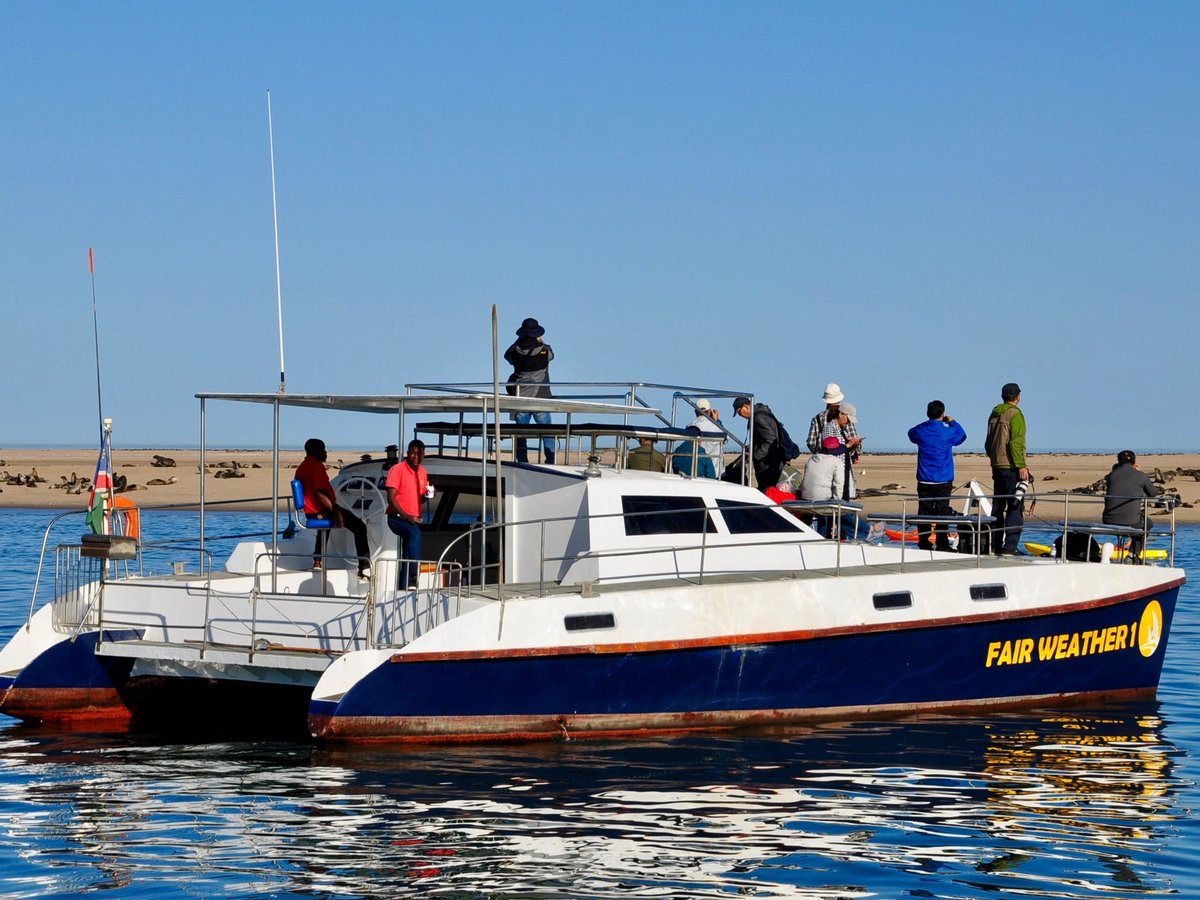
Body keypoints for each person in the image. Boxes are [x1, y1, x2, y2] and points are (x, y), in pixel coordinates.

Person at [294, 438, 371, 578]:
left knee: (326, 526)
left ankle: (317, 561)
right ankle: (363, 567)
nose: (325, 453)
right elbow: (320, 492)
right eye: (323, 450)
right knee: (360, 527)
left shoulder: (303, 466)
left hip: (311, 513)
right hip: (321, 511)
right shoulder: (316, 466)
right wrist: (335, 511)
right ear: (315, 451)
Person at [907, 400, 967, 551]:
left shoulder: (922, 431)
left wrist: (928, 423)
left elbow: (911, 433)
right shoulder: (946, 432)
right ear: (942, 414)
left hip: (926, 478)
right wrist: (952, 422)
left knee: (924, 511)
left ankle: (924, 542)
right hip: (942, 478)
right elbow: (962, 435)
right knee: (942, 512)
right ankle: (941, 543)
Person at [984, 382, 1029, 555]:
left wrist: (994, 458)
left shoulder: (994, 414)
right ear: (1018, 396)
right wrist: (1021, 465)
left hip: (997, 465)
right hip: (1010, 466)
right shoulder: (1015, 414)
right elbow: (1016, 442)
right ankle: (1010, 547)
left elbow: (988, 443)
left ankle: (995, 545)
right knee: (1015, 506)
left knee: (998, 506)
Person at [504, 317, 555, 464]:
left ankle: (522, 462)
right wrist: (540, 341)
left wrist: (519, 341)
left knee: (521, 434)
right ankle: (550, 459)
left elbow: (507, 356)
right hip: (541, 396)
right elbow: (552, 356)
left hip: (521, 398)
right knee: (548, 432)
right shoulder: (544, 350)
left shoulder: (515, 350)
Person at [802, 384, 863, 505]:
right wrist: (855, 451)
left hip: (821, 465)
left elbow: (811, 442)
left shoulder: (818, 418)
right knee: (840, 499)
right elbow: (851, 437)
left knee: (823, 499)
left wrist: (820, 455)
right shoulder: (844, 416)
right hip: (840, 463)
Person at [386, 439, 431, 589]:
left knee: (407, 551)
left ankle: (404, 587)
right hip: (397, 517)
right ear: (408, 453)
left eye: (419, 453)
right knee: (415, 534)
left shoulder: (423, 472)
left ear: (424, 454)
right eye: (413, 453)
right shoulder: (397, 469)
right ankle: (413, 576)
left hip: (413, 519)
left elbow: (420, 499)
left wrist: (428, 495)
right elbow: (391, 498)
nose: (415, 456)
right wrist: (407, 516)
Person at [1103, 450, 1162, 561]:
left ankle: (1130, 551)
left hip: (1108, 519)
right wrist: (1139, 473)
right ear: (1134, 462)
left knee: (1137, 520)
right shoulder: (1140, 476)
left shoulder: (1110, 476)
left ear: (1119, 461)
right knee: (1147, 523)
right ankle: (1133, 555)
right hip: (1131, 520)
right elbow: (1153, 493)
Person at [733, 396, 788, 493]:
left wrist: (755, 455)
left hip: (767, 464)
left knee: (768, 491)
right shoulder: (762, 413)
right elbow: (763, 439)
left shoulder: (758, 418)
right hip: (772, 461)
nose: (740, 415)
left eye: (739, 412)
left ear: (746, 407)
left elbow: (770, 439)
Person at [691, 399, 726, 477]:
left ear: (695, 412)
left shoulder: (690, 426)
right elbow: (726, 439)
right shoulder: (716, 427)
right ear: (710, 411)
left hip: (697, 471)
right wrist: (717, 421)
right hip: (716, 471)